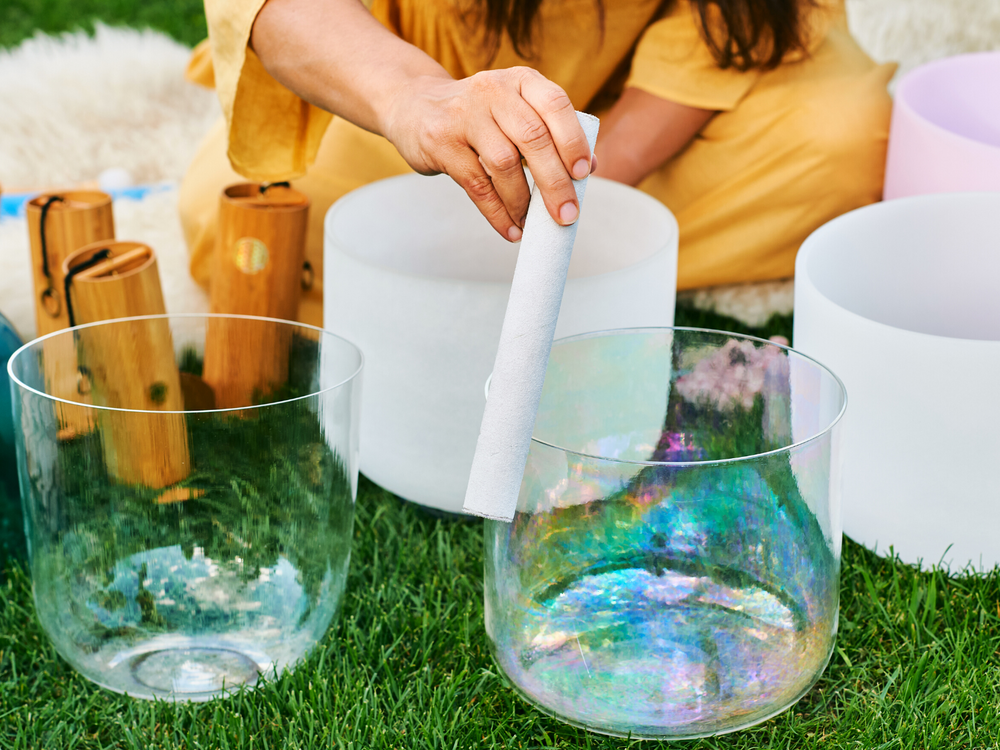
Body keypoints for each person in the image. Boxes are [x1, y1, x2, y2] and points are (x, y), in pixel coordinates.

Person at [180, 0, 895, 327]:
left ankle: (463, 267)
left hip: (636, 99)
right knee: (240, 207)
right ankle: (604, 262)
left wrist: (585, 173)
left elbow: (738, 21)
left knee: (842, 141)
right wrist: (417, 102)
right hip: (400, 79)